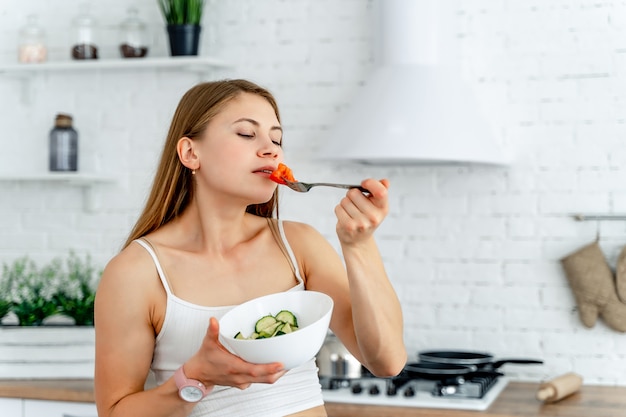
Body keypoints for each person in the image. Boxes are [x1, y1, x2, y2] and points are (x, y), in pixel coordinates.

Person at [94, 79, 406, 417]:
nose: (271, 149)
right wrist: (195, 378)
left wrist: (359, 246)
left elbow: (387, 361)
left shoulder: (299, 246)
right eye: (246, 134)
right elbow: (114, 412)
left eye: (277, 138)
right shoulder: (136, 273)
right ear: (190, 153)